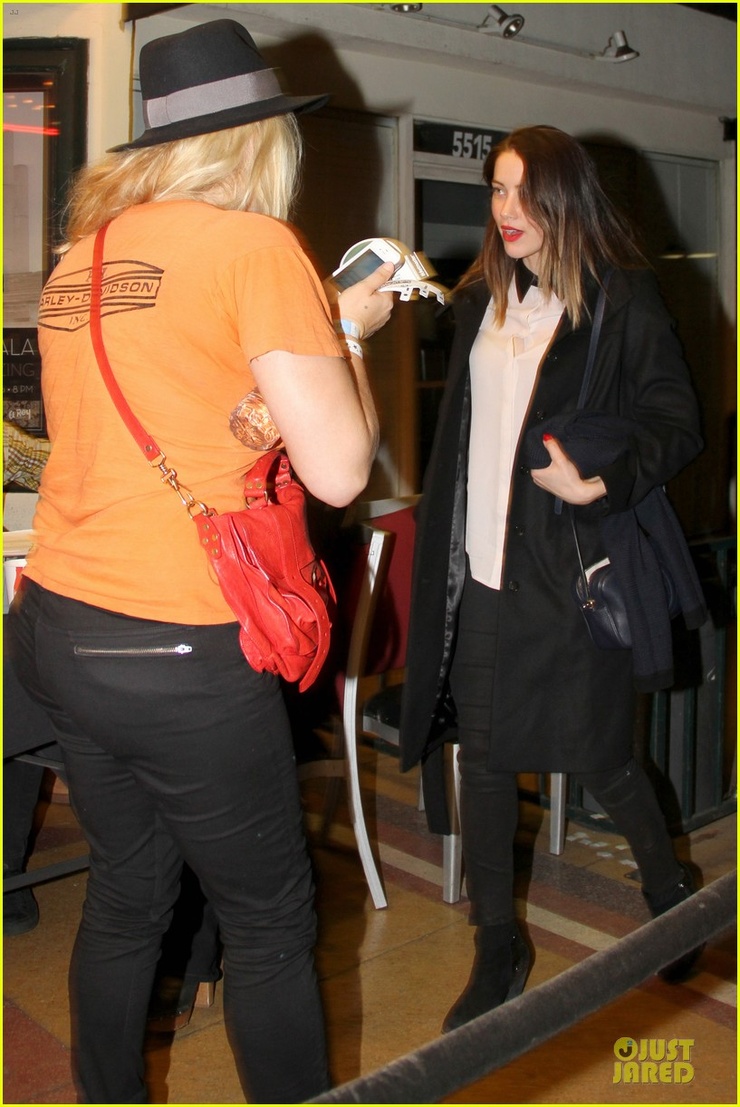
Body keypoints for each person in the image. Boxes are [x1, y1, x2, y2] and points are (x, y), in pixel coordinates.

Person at [6, 19, 394, 1103]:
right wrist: (348, 332)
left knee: (127, 895)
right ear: (263, 137)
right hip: (179, 643)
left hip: (57, 623)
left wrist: (259, 403)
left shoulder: (81, 260)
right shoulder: (253, 248)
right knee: (269, 921)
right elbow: (337, 472)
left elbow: (158, 419)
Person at [398, 125, 707, 1034]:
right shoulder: (479, 300)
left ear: (566, 199)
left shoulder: (621, 298)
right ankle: (499, 942)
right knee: (484, 759)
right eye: (497, 190)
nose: (508, 210)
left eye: (525, 192)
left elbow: (677, 421)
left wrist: (601, 482)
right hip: (481, 574)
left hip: (570, 575)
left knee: (603, 755)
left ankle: (671, 891)